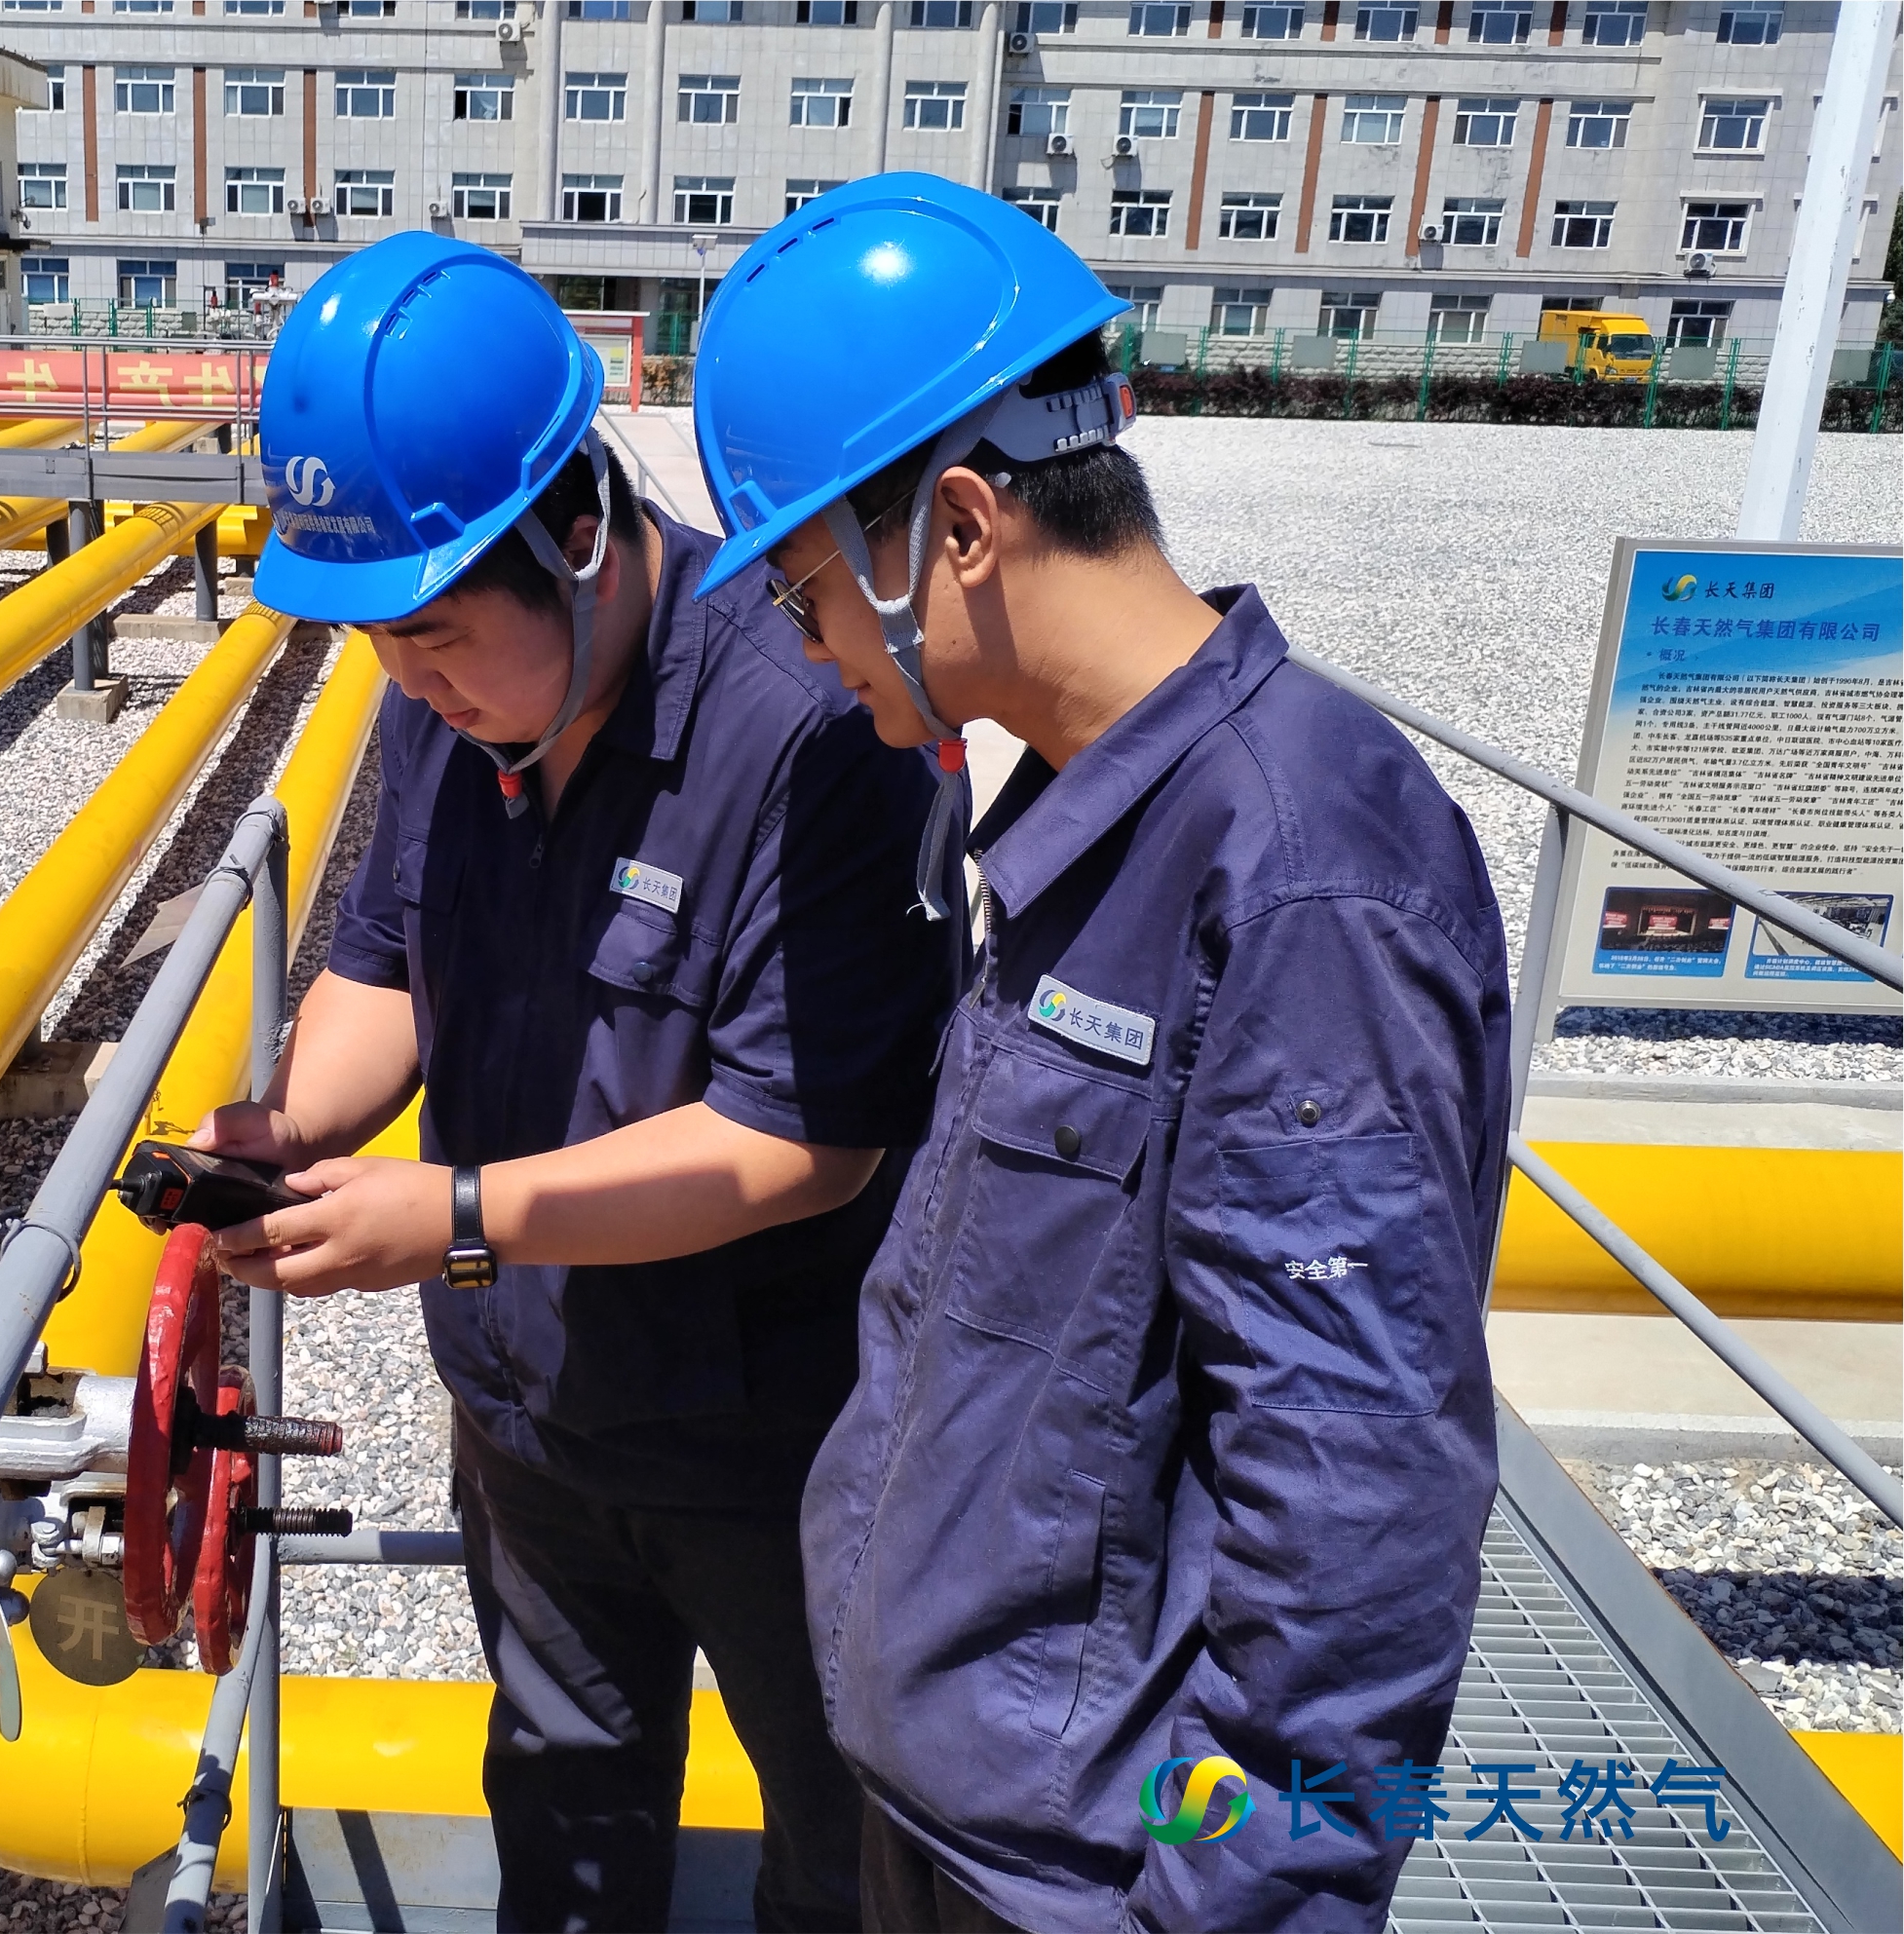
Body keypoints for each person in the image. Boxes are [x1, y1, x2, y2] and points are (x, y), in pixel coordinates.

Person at [687, 174, 1512, 1932]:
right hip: (962, 1804)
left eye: (806, 592)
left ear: (956, 528)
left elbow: (1358, 1506)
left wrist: (1230, 1901)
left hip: (1089, 1881)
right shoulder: (1098, 812)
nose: (810, 653)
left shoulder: (1303, 876)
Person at [193, 231, 958, 1931]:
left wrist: (456, 1214)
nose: (410, 679)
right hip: (533, 1420)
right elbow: (385, 963)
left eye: (437, 634)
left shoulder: (812, 728)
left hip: (779, 1440)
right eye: (378, 643)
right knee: (564, 1803)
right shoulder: (443, 700)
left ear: (581, 538)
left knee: (840, 1839)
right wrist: (289, 1128)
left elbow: (804, 1142)